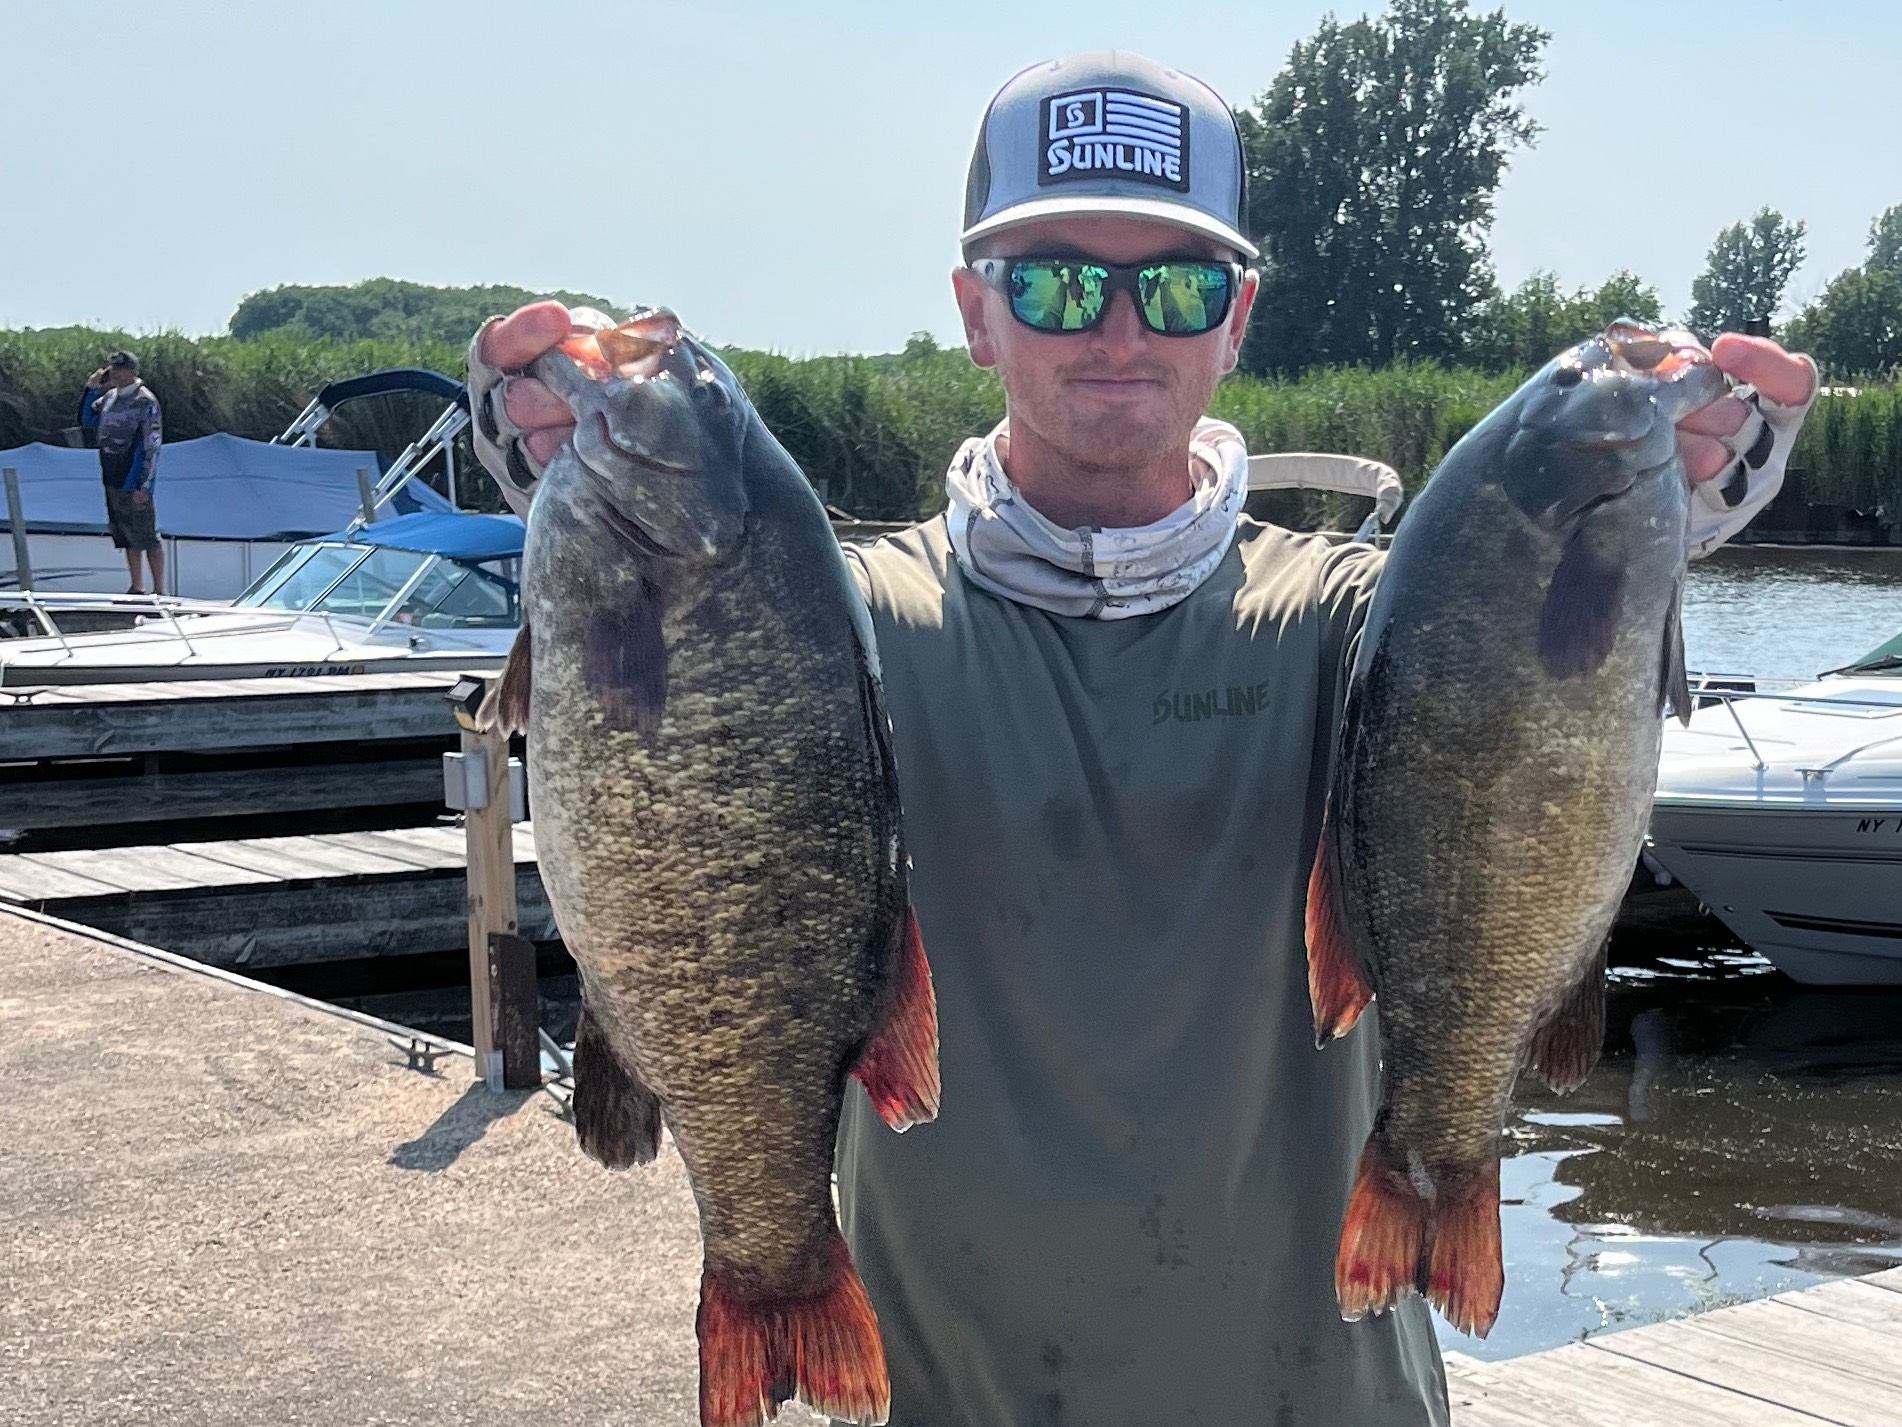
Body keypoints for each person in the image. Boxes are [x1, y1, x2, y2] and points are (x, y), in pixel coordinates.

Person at [466, 51, 1817, 1426]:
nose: (1116, 328)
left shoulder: (1347, 617)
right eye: (1054, 279)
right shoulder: (847, 620)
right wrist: (558, 468)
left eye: (1170, 285)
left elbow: (1503, 635)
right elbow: (690, 655)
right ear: (973, 313)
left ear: (1233, 318)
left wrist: (1670, 494)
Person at [79, 348, 165, 594]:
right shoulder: (108, 398)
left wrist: (144, 485)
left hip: (133, 476)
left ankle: (159, 590)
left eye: (120, 369)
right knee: (126, 535)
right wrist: (91, 389)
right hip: (112, 475)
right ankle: (137, 586)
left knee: (147, 536)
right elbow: (86, 419)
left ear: (132, 372)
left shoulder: (145, 401)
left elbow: (152, 445)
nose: (114, 373)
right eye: (112, 369)